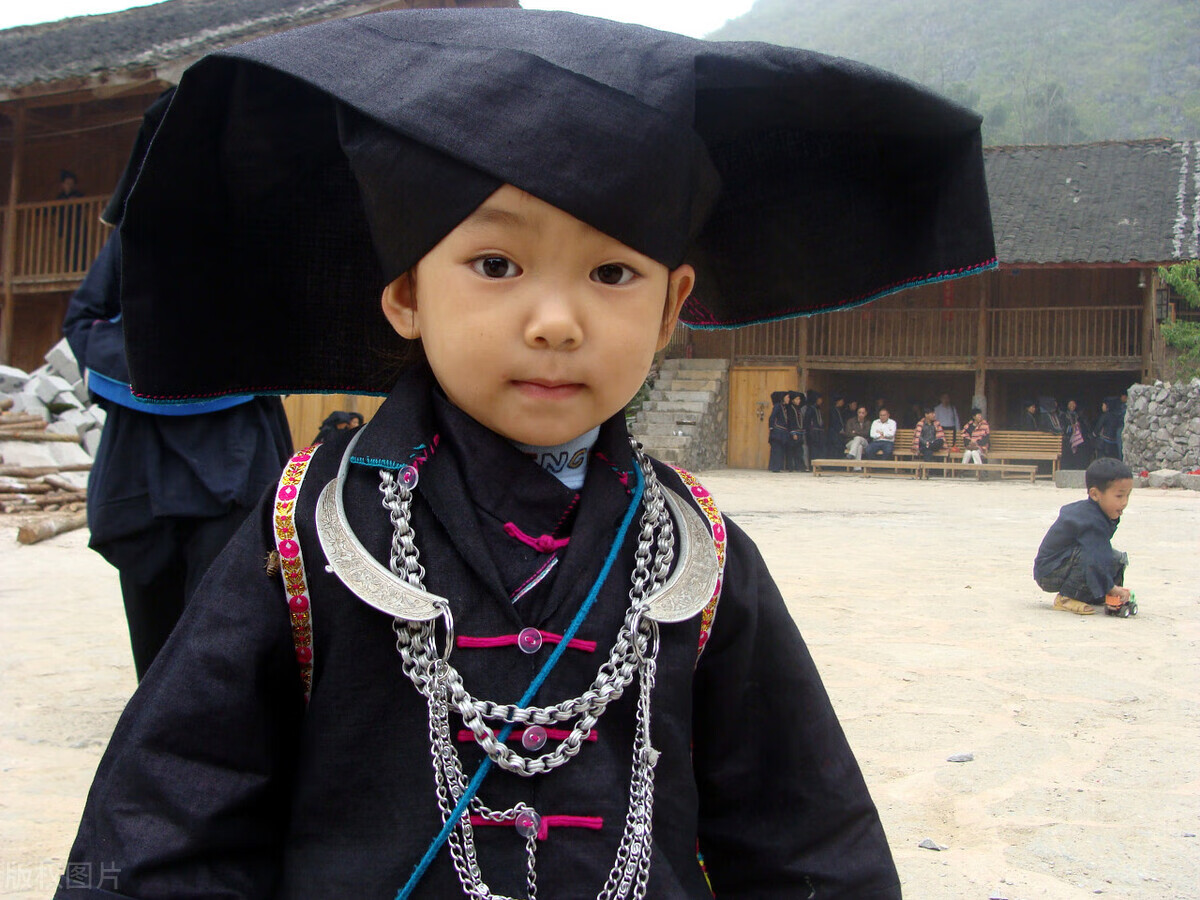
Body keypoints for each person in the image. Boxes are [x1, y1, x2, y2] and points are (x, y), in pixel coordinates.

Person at [55, 10, 994, 898]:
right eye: (496, 265)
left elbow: (805, 835)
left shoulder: (696, 556)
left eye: (613, 272)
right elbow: (174, 817)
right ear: (405, 295)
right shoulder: (309, 536)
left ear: (671, 308)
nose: (555, 322)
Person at [61, 92, 293, 680]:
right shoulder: (132, 239)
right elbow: (84, 319)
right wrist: (154, 363)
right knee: (153, 636)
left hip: (232, 454)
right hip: (140, 460)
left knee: (226, 631)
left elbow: (289, 326)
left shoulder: (260, 236)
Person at [1034, 458, 1134, 615]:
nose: (1124, 502)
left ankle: (1097, 595)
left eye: (1128, 496)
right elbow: (1094, 556)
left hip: (1068, 563)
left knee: (1115, 558)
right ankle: (1065, 598)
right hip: (1050, 571)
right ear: (1095, 494)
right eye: (1119, 496)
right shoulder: (1089, 519)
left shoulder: (1103, 513)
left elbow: (1102, 551)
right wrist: (1110, 586)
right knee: (1090, 556)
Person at [1060, 398, 1090, 469]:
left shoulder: (1079, 416)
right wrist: (1071, 428)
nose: (1072, 406)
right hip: (1068, 439)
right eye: (1070, 404)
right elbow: (1062, 427)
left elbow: (1084, 427)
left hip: (1077, 439)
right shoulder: (1063, 415)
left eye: (1073, 404)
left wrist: (1078, 426)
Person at [767, 390, 789, 472]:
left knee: (780, 450)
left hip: (782, 431)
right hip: (777, 431)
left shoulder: (784, 407)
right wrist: (772, 427)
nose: (788, 399)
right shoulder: (777, 406)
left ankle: (778, 467)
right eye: (787, 397)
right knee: (776, 449)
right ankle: (774, 467)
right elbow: (772, 417)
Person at [785, 389, 806, 472]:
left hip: (799, 432)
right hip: (793, 433)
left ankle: (799, 467)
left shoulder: (798, 409)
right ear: (793, 400)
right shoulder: (790, 409)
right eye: (797, 399)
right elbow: (791, 421)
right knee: (791, 450)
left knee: (799, 451)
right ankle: (790, 467)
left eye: (799, 399)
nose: (799, 401)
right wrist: (793, 433)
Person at [803, 390, 826, 465]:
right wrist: (810, 431)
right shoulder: (810, 409)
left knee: (820, 449)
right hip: (813, 433)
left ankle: (819, 465)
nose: (821, 401)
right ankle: (813, 466)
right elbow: (807, 421)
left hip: (819, 433)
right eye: (819, 399)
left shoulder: (818, 409)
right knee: (813, 450)